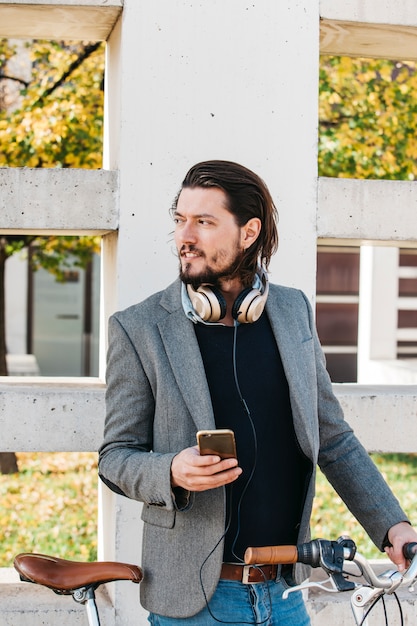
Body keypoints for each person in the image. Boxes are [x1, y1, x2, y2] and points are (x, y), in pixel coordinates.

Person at [98, 160, 417, 625]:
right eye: (179, 219)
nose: (184, 236)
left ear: (249, 232)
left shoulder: (292, 311)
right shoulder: (138, 328)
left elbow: (331, 436)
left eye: (204, 222)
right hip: (196, 603)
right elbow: (115, 457)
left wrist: (393, 526)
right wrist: (171, 471)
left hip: (286, 594)